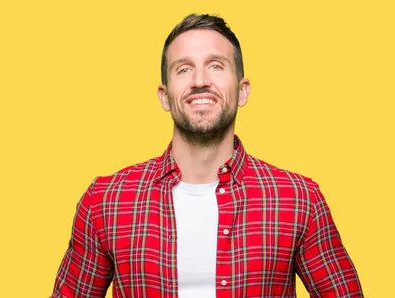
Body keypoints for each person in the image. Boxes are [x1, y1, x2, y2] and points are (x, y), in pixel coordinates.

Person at [50, 13, 363, 298]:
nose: (200, 81)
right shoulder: (106, 200)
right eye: (184, 69)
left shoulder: (298, 199)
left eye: (216, 65)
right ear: (165, 96)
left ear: (243, 90)